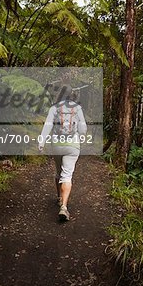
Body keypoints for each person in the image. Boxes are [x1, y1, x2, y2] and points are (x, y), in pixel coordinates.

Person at [38, 85, 87, 221]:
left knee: (58, 172)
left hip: (56, 145)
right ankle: (64, 207)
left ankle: (59, 197)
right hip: (72, 145)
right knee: (67, 175)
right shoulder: (77, 108)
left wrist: (41, 142)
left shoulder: (54, 108)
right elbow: (83, 129)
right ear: (72, 96)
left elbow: (48, 125)